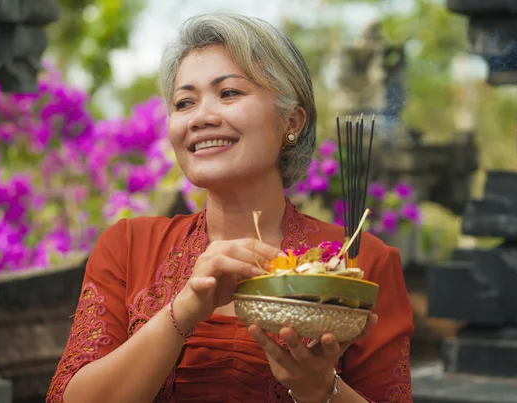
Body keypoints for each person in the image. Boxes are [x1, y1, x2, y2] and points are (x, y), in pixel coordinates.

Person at [47, 13, 414, 403]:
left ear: (292, 120)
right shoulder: (128, 247)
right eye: (184, 102)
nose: (202, 117)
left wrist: (321, 389)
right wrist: (183, 311)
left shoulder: (358, 262)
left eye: (229, 94)